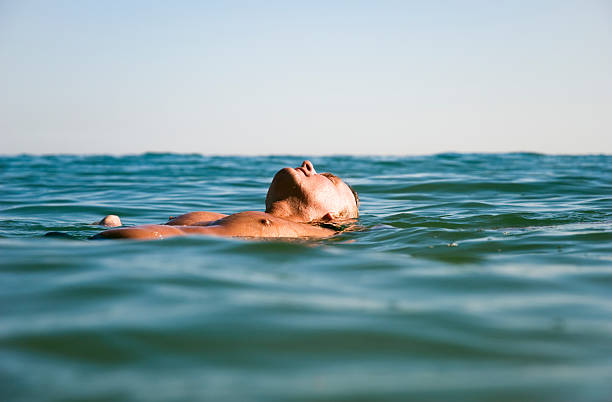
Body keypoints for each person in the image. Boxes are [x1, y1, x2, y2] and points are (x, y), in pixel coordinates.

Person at [92, 160, 359, 240]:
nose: (308, 164)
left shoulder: (311, 234)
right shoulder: (231, 217)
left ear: (331, 216)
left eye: (329, 179)